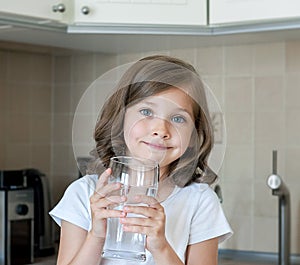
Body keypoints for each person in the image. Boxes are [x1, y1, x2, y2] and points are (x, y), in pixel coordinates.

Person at [49, 55, 232, 265]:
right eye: (147, 111)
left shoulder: (201, 202)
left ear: (193, 134)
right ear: (120, 118)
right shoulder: (83, 194)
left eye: (178, 118)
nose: (160, 130)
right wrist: (96, 235)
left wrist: (160, 246)